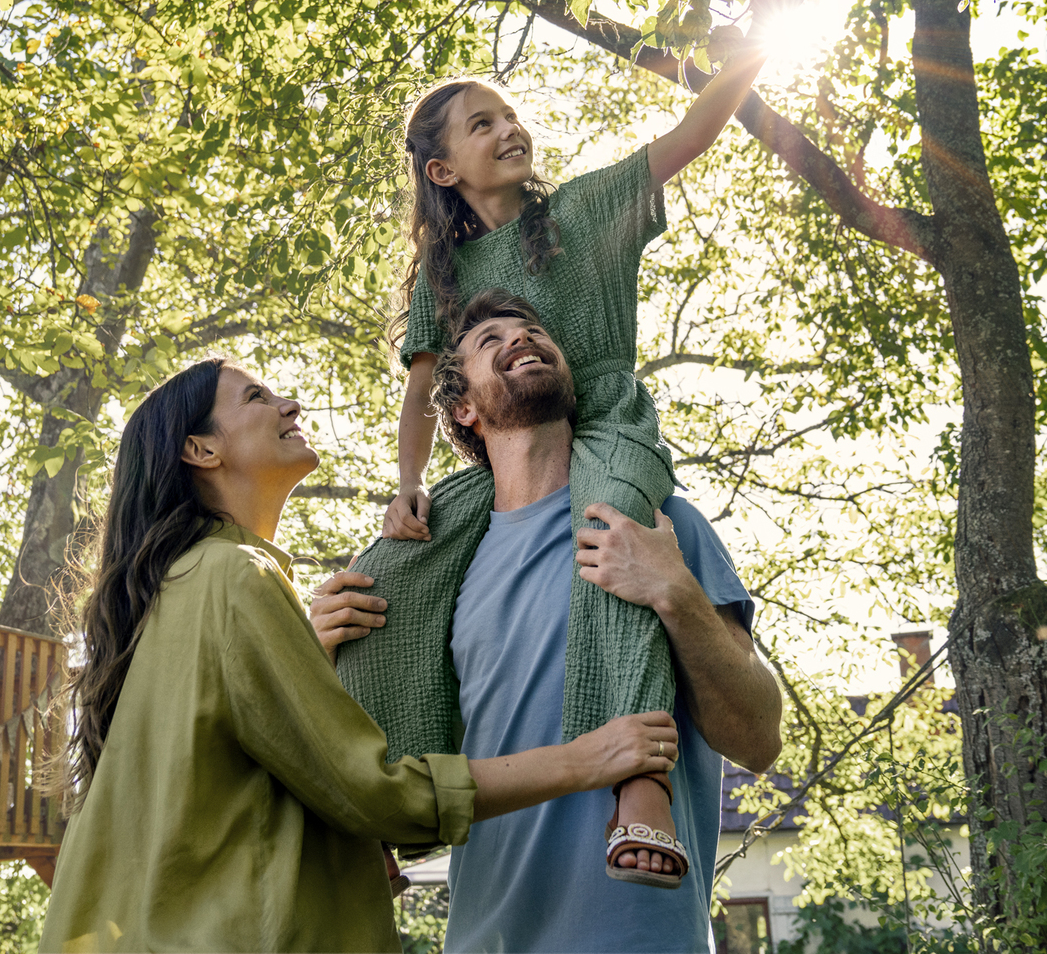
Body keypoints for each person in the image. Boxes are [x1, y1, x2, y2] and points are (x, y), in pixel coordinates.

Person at [38, 357, 680, 954]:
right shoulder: (234, 578)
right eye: (256, 397)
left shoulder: (179, 587)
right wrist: (589, 757)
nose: (290, 405)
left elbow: (227, 790)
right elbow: (374, 792)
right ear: (201, 450)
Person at [331, 54, 767, 885]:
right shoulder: (444, 273)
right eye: (482, 122)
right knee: (388, 573)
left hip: (603, 426)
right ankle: (381, 805)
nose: (509, 129)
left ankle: (641, 784)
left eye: (511, 114)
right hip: (506, 454)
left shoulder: (582, 211)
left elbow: (692, 133)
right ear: (442, 168)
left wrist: (750, 47)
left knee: (611, 542)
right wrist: (407, 485)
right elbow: (426, 381)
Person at [314, 295, 783, 950]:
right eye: (491, 339)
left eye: (534, 329)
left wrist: (672, 589)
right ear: (464, 410)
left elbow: (759, 737)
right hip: (485, 934)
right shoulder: (439, 571)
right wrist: (319, 644)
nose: (522, 337)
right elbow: (377, 756)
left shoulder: (661, 524)